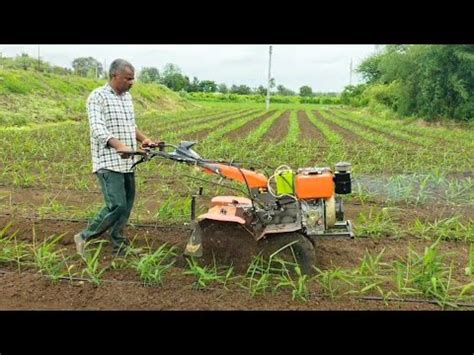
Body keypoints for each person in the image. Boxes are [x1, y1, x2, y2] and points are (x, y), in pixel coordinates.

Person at [74, 58, 161, 257]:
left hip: (127, 161)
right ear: (115, 76)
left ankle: (118, 244)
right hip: (108, 161)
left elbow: (131, 126)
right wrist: (119, 145)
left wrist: (145, 140)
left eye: (133, 79)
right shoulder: (98, 96)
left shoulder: (126, 99)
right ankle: (84, 236)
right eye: (128, 79)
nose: (132, 83)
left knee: (126, 206)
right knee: (117, 205)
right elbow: (97, 129)